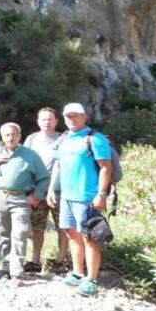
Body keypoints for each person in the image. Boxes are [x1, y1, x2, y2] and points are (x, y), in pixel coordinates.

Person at [46, 103, 113, 297]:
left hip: (86, 198)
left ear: (84, 117)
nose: (71, 119)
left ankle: (91, 279)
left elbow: (105, 168)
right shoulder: (64, 138)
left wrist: (101, 194)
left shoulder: (94, 139)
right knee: (71, 233)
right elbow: (58, 165)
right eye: (68, 116)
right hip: (66, 196)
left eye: (75, 116)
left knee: (89, 238)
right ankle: (77, 273)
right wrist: (52, 189)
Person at [0, 123, 50, 279]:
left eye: (14, 134)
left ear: (19, 136)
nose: (11, 137)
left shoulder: (30, 155)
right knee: (3, 232)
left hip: (21, 199)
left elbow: (44, 178)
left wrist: (37, 195)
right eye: (7, 135)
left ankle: (16, 270)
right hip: (0, 196)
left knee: (20, 233)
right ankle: (6, 266)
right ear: (2, 138)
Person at [23, 107, 68, 272]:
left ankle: (61, 261)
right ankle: (35, 261)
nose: (47, 122)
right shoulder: (31, 139)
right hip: (37, 191)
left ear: (56, 121)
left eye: (50, 119)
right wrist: (28, 191)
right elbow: (25, 165)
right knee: (37, 228)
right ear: (38, 122)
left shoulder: (63, 139)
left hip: (59, 191)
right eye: (43, 119)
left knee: (63, 227)